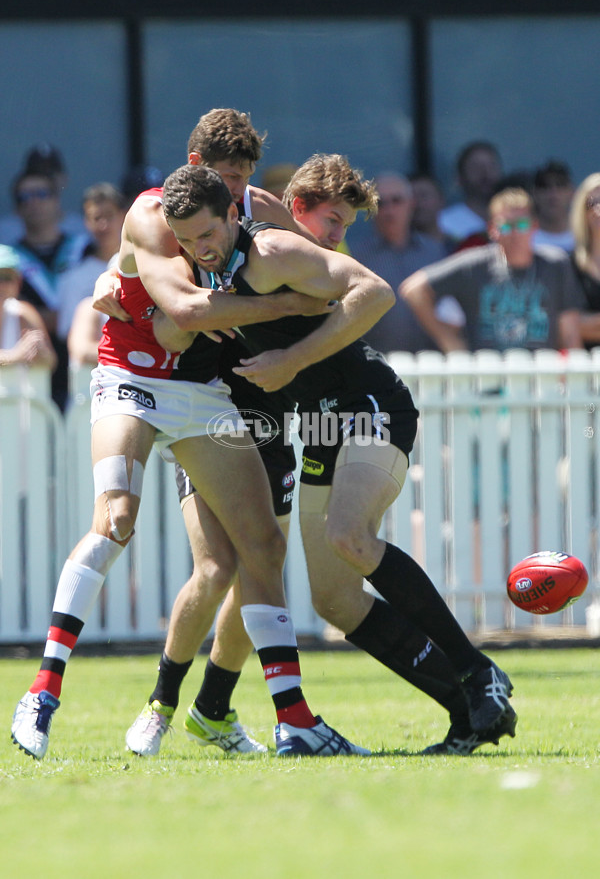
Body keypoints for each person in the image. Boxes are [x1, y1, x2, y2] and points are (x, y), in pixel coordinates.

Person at [136, 163, 517, 759]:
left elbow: (376, 291)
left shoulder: (273, 252)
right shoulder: (203, 267)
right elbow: (172, 325)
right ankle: (469, 713)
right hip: (318, 428)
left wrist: (291, 357)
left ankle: (477, 670)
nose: (198, 250)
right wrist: (123, 293)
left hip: (368, 404)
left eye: (207, 235)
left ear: (234, 215)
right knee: (334, 599)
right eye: (185, 242)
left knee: (348, 534)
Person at [11, 165, 378, 761]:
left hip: (202, 398)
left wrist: (306, 291)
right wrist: (287, 299)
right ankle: (42, 693)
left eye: (241, 181)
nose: (197, 247)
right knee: (117, 519)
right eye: (225, 175)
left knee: (261, 548)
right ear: (195, 164)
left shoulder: (254, 223)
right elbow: (181, 318)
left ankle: (294, 718)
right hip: (129, 381)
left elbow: (338, 279)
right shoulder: (155, 216)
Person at [400, 186, 585, 353]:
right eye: (505, 226)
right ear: (492, 229)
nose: (514, 233)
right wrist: (451, 343)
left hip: (540, 378)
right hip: (487, 378)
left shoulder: (556, 264)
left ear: (534, 226)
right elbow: (413, 289)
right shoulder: (473, 264)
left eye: (521, 225)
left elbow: (569, 333)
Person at [11, 168, 89, 411]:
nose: (33, 202)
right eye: (24, 197)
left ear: (57, 200)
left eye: (41, 193)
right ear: (17, 208)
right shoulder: (8, 264)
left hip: (84, 376)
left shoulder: (85, 250)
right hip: (33, 380)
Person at [351, 172, 453, 354]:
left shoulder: (436, 252)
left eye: (397, 200)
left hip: (433, 366)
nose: (389, 210)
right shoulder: (356, 257)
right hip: (378, 367)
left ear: (411, 203)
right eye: (380, 203)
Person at [57, 183, 127, 349]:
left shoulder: (143, 266)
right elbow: (68, 333)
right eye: (96, 218)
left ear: (124, 216)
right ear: (86, 222)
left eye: (109, 216)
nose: (103, 225)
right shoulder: (73, 278)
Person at [0, 144, 88, 246]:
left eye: (50, 174)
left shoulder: (83, 228)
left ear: (64, 179)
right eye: (38, 173)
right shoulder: (4, 231)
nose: (36, 200)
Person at [0, 244, 57, 369]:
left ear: (18, 282)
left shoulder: (24, 312)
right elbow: (16, 356)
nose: (2, 285)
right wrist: (13, 356)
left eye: (7, 278)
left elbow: (51, 361)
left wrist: (40, 354)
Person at [439, 141, 503, 247]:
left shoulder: (516, 220)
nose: (486, 174)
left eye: (491, 166)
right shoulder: (444, 223)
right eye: (476, 168)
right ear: (459, 178)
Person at [569, 171, 600, 348]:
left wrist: (590, 323)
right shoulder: (568, 264)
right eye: (591, 203)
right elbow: (567, 326)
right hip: (583, 367)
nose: (598, 209)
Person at [532, 160, 575, 252]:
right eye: (544, 186)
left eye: (560, 185)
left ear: (572, 192)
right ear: (535, 194)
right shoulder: (522, 239)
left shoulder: (588, 237)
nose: (553, 194)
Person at [409, 172, 453, 252]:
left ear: (441, 200)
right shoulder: (395, 251)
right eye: (412, 197)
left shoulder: (458, 247)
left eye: (423, 196)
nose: (418, 203)